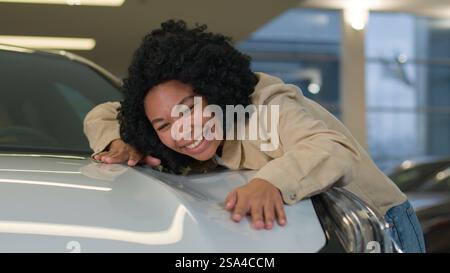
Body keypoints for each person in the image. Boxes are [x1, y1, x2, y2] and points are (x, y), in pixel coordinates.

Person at [83, 19, 425, 252]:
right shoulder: (169, 127)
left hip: (380, 221)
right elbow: (101, 113)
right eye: (163, 125)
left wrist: (270, 182)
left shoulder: (264, 107)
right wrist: (120, 140)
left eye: (189, 108)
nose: (182, 130)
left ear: (214, 90)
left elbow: (334, 149)